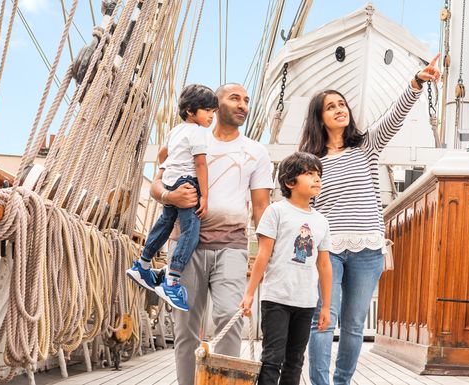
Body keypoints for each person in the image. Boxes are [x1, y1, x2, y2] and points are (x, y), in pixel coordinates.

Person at [299, 54, 441, 385]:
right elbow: (303, 210)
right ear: (319, 118)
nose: (339, 109)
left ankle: (342, 382)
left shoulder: (365, 147)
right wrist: (300, 252)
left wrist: (417, 82)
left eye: (342, 104)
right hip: (327, 249)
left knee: (353, 324)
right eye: (331, 106)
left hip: (368, 247)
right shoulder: (311, 161)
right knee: (324, 321)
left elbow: (395, 116)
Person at [150, 83, 273, 385]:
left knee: (230, 319)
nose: (244, 105)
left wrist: (269, 253)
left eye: (247, 100)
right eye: (235, 98)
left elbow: (261, 207)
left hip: (231, 245)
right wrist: (170, 198)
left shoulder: (255, 151)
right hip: (185, 245)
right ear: (215, 106)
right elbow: (156, 185)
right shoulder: (188, 138)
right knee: (185, 328)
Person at [240, 152, 333, 385]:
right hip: (276, 299)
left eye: (318, 174)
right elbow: (263, 255)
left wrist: (327, 307)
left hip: (306, 301)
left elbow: (324, 264)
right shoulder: (276, 212)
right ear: (290, 182)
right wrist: (249, 293)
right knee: (272, 358)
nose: (317, 179)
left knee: (295, 361)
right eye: (309, 173)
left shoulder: (321, 221)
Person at [126, 84, 216, 311]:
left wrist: (172, 167)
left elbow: (162, 154)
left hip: (171, 180)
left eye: (213, 112)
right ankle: (172, 280)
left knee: (165, 223)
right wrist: (204, 195)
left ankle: (143, 264)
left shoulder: (176, 130)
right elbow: (200, 163)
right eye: (207, 111)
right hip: (188, 182)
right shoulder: (197, 132)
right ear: (190, 111)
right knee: (190, 232)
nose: (211, 116)